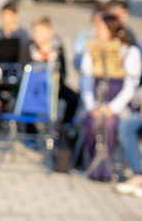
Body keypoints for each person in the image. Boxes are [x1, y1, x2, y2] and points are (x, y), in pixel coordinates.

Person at [79, 13, 141, 179]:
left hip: (119, 103)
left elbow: (130, 86)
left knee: (110, 122)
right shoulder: (92, 49)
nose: (95, 30)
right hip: (96, 100)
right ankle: (94, 164)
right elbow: (86, 80)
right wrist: (91, 105)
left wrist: (112, 108)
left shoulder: (129, 51)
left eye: (99, 27)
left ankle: (107, 167)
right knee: (93, 122)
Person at [28, 16, 79, 126]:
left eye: (41, 32)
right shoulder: (30, 48)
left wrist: (57, 84)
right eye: (36, 32)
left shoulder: (58, 49)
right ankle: (31, 130)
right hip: (34, 87)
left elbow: (63, 71)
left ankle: (66, 126)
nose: (38, 35)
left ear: (50, 32)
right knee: (28, 100)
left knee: (73, 98)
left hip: (54, 85)